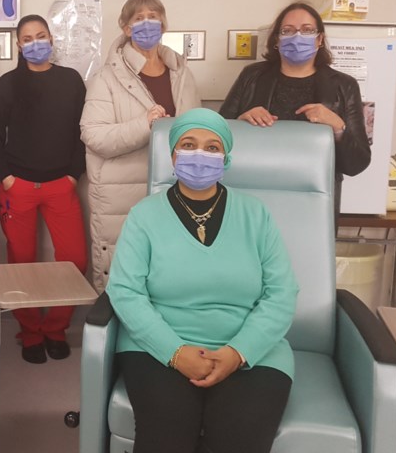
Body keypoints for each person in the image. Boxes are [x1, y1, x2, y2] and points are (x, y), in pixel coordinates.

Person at [106, 108, 299, 453]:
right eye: (189, 144)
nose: (200, 155)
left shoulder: (256, 214)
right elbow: (125, 291)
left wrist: (238, 352)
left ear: (226, 157)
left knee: (239, 436)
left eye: (212, 147)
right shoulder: (144, 215)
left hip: (250, 349)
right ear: (172, 155)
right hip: (156, 346)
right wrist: (175, 352)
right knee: (166, 434)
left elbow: (282, 292)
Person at [0, 15, 88, 364]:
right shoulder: (8, 83)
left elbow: (81, 132)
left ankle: (56, 329)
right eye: (27, 38)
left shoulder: (71, 81)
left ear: (51, 39)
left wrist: (74, 175)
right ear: (18, 45)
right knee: (21, 263)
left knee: (74, 260)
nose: (35, 43)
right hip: (19, 187)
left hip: (61, 185)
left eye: (40, 36)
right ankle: (30, 332)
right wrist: (5, 177)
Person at [80, 0, 201, 292]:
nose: (148, 23)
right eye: (139, 18)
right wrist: (144, 125)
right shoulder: (106, 78)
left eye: (154, 16)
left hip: (176, 189)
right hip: (121, 195)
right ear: (125, 27)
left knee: (170, 276)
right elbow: (93, 135)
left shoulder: (182, 73)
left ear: (163, 24)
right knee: (125, 278)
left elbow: (197, 130)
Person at [219, 2, 371, 212]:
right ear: (277, 40)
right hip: (253, 192)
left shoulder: (344, 85)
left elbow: (358, 163)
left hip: (316, 198)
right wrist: (241, 121)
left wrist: (338, 127)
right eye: (288, 31)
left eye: (307, 30)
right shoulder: (252, 76)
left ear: (319, 39)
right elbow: (215, 137)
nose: (297, 37)